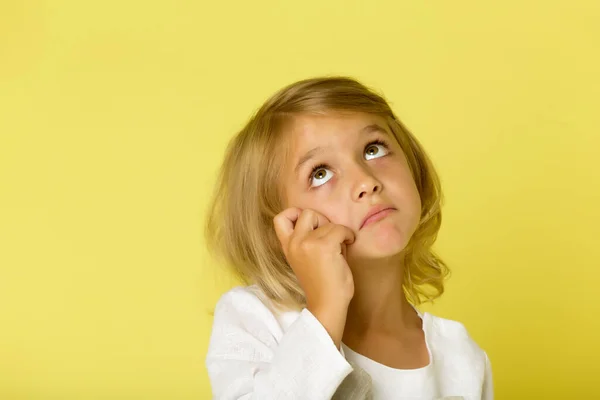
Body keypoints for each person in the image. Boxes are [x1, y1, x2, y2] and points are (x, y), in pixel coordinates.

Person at [204, 76, 493, 399]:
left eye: (373, 149)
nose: (365, 182)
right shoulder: (255, 319)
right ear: (278, 227)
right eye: (320, 173)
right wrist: (325, 312)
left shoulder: (461, 357)